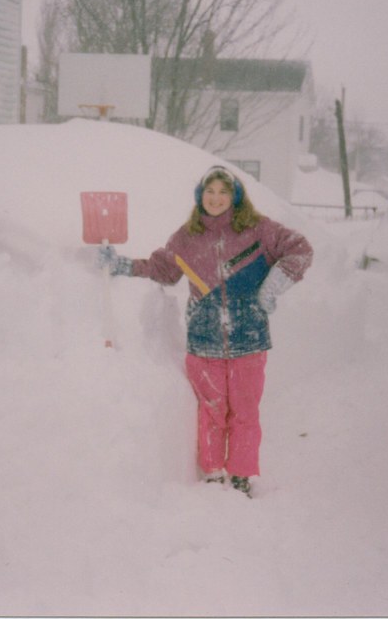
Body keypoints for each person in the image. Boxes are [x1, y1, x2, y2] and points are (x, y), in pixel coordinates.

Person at [97, 166, 313, 497]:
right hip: (204, 339)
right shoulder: (187, 237)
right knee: (211, 412)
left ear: (235, 197)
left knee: (245, 412)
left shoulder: (259, 230)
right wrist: (121, 265)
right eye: (209, 192)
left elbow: (300, 248)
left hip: (249, 337)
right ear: (200, 196)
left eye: (223, 192)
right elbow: (162, 269)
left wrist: (271, 287)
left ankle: (240, 475)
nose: (215, 198)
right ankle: (212, 472)